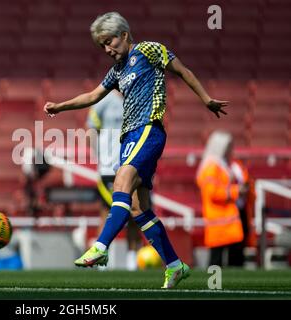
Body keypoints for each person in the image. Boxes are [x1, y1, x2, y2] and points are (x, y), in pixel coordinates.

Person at [44, 12, 229, 288]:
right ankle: (175, 265)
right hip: (128, 136)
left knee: (122, 179)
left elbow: (182, 70)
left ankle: (101, 247)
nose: (107, 49)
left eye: (110, 42)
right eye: (102, 46)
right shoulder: (117, 71)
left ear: (125, 35)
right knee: (138, 208)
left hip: (148, 129)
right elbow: (93, 96)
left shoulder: (147, 50)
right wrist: (60, 106)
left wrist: (206, 99)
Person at [87, 90, 141, 271]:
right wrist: (100, 157)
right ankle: (101, 259)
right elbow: (91, 128)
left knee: (135, 213)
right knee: (107, 213)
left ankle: (131, 261)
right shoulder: (104, 101)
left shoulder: (139, 98)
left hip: (133, 167)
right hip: (109, 169)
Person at [196, 130, 254, 267]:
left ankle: (234, 287)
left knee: (236, 260)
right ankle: (213, 287)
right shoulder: (211, 167)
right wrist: (236, 191)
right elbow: (212, 192)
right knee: (216, 262)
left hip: (235, 219)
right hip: (220, 221)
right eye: (228, 147)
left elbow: (247, 182)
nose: (231, 150)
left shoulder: (232, 165)